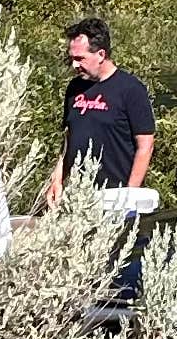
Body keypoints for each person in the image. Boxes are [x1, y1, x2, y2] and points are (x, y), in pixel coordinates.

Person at [49, 18, 156, 207]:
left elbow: (145, 146)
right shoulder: (74, 88)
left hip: (115, 197)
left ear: (100, 54)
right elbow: (68, 140)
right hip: (78, 196)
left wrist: (130, 195)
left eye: (80, 59)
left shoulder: (131, 89)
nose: (74, 65)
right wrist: (57, 181)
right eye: (72, 58)